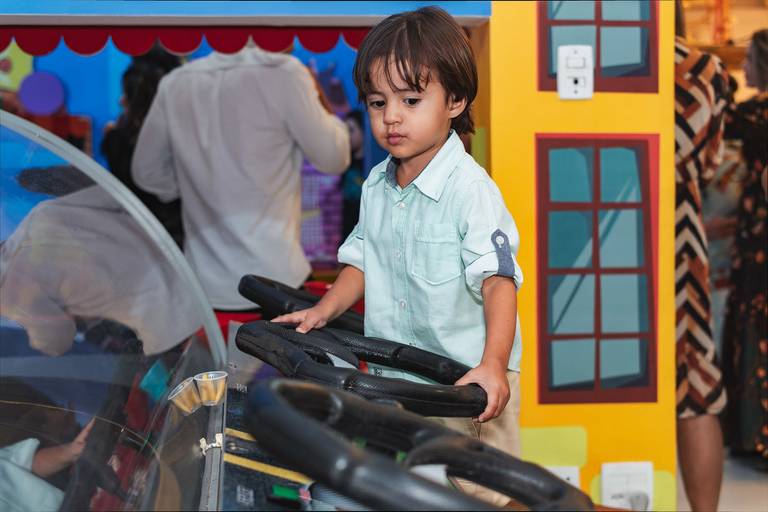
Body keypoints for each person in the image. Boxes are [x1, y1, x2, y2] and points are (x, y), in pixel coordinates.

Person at [273, 7, 523, 506]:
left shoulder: (470, 191)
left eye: (411, 100)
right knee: (407, 488)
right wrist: (323, 310)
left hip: (463, 385)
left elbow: (498, 281)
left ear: (455, 101)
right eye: (377, 102)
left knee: (484, 494)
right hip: (397, 380)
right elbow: (363, 259)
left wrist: (492, 366)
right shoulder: (377, 185)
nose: (391, 116)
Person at [131, 44, 350, 311]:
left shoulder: (176, 82)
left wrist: (194, 188)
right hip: (276, 279)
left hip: (203, 284)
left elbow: (146, 172)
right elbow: (334, 158)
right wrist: (321, 98)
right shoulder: (285, 73)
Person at [674, 19, 731, 510]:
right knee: (694, 384)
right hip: (679, 234)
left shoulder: (589, 48)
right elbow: (710, 165)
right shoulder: (705, 70)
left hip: (588, 231)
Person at [721, 28, 768, 464]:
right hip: (755, 228)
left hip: (759, 235)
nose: (745, 66)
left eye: (750, 59)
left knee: (754, 323)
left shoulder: (755, 114)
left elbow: (722, 118)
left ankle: (755, 433)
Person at [101, 48, 184, 247]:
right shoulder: (183, 137)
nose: (120, 100)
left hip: (133, 237)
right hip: (174, 237)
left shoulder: (118, 138)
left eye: (126, 94)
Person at [339, 110, 365, 242]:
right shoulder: (345, 162)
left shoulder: (374, 165)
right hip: (348, 234)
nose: (347, 136)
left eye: (351, 130)